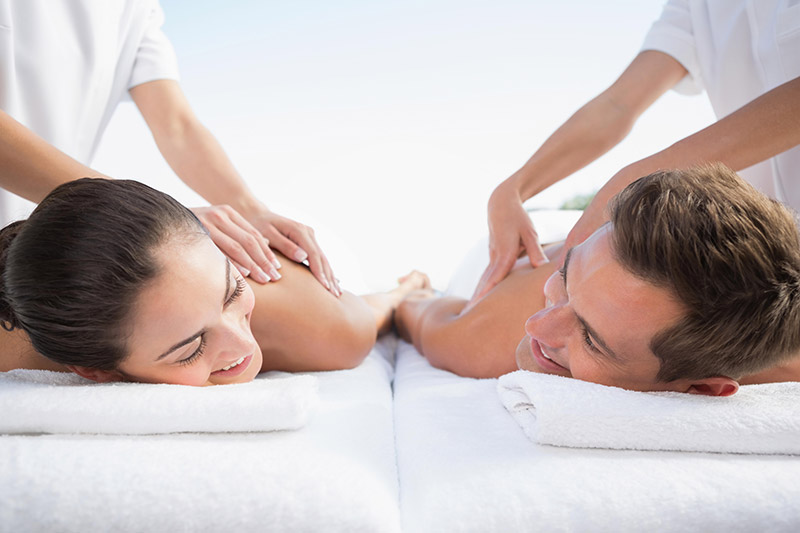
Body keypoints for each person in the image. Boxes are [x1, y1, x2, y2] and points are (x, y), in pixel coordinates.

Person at [470, 0, 800, 306]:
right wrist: (512, 189)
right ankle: (416, 297)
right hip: (759, 256)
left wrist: (633, 181)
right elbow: (618, 104)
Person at [0, 0, 341, 296]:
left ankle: (390, 301)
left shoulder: (133, 8)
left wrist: (249, 210)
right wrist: (156, 215)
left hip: (33, 244)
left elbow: (177, 126)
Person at [395, 165, 800, 395]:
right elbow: (411, 310)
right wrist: (414, 290)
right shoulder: (481, 337)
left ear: (704, 388)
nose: (537, 326)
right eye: (566, 278)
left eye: (591, 338)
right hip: (535, 243)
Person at [0, 178, 428, 386]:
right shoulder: (31, 348)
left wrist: (401, 295)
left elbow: (368, 314)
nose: (243, 346)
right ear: (95, 370)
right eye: (190, 348)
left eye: (232, 293)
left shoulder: (325, 331)